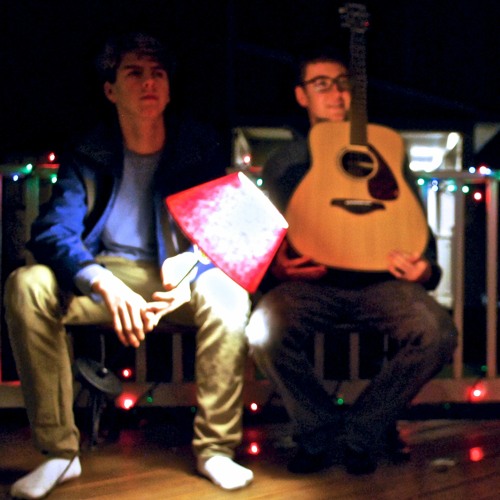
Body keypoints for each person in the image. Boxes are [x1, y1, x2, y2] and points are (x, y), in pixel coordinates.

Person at [5, 32, 253, 499]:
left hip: (175, 276)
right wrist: (100, 281)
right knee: (27, 284)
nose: (148, 82)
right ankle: (60, 454)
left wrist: (192, 274)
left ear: (170, 88)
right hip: (104, 273)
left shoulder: (197, 148)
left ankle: (215, 449)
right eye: (134, 73)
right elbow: (53, 231)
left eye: (158, 73)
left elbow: (220, 233)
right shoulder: (88, 151)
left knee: (229, 295)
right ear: (110, 89)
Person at [246, 47, 458, 475]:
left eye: (344, 84)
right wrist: (275, 271)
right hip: (308, 285)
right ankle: (317, 429)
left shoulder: (386, 149)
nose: (337, 94)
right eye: (322, 84)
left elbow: (416, 225)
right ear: (302, 96)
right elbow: (265, 238)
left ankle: (362, 430)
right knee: (262, 331)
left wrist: (426, 269)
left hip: (382, 284)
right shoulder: (285, 161)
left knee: (437, 332)